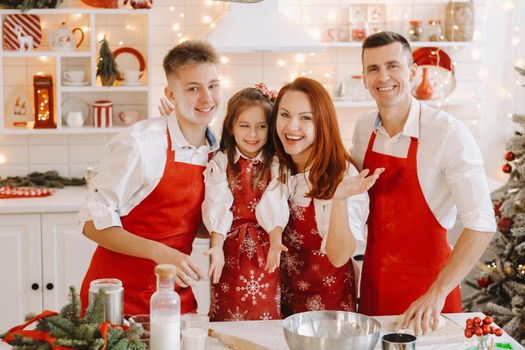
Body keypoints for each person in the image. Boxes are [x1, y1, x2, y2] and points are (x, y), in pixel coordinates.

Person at [351, 31, 496, 335]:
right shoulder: (364, 129)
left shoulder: (447, 133)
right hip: (375, 285)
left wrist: (437, 293)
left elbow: (482, 223)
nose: (383, 77)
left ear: (412, 73)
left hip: (429, 295)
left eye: (393, 66)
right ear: (364, 78)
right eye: (373, 69)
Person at [79, 40, 222, 315]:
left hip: (174, 297)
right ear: (171, 94)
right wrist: (159, 252)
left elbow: (190, 220)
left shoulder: (217, 151)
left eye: (213, 85)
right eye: (193, 88)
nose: (207, 98)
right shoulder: (140, 144)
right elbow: (89, 223)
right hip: (116, 299)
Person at [263, 77, 382, 316]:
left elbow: (339, 257)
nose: (291, 127)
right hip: (279, 299)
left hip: (329, 306)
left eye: (306, 118)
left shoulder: (343, 175)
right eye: (284, 115)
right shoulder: (277, 166)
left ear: (323, 124)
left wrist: (338, 199)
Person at [202, 84, 289, 321]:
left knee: (264, 311)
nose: (253, 134)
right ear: (231, 126)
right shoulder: (220, 162)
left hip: (266, 250)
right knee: (228, 313)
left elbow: (275, 201)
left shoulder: (275, 164)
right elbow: (217, 203)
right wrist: (217, 247)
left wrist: (275, 242)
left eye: (261, 126)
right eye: (245, 126)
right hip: (229, 250)